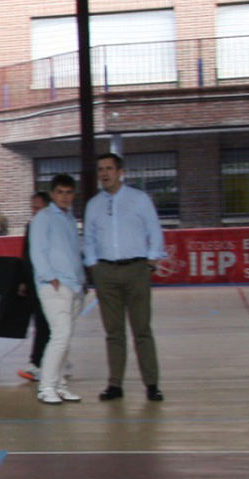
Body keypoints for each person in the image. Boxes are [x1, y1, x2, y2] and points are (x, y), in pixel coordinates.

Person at [83, 153, 166, 402]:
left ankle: (152, 384)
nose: (104, 173)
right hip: (105, 272)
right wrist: (94, 268)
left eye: (109, 168)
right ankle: (115, 384)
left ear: (121, 172)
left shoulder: (139, 199)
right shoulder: (93, 204)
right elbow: (88, 240)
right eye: (100, 169)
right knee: (113, 332)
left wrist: (150, 263)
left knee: (142, 329)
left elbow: (155, 231)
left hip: (136, 270)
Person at [29, 175, 85, 405]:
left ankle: (60, 386)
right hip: (54, 286)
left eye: (69, 192)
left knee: (65, 338)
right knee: (60, 336)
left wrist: (81, 283)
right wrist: (49, 277)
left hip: (74, 287)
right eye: (60, 192)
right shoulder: (43, 218)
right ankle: (46, 387)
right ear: (52, 194)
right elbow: (38, 251)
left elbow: (73, 253)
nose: (65, 196)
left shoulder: (70, 220)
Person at [17, 192, 51, 382]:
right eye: (32, 208)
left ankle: (36, 364)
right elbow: (26, 255)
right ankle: (59, 360)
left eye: (37, 208)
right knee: (44, 324)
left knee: (43, 323)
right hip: (33, 283)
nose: (34, 211)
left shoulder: (53, 226)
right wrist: (23, 280)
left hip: (47, 283)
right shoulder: (31, 226)